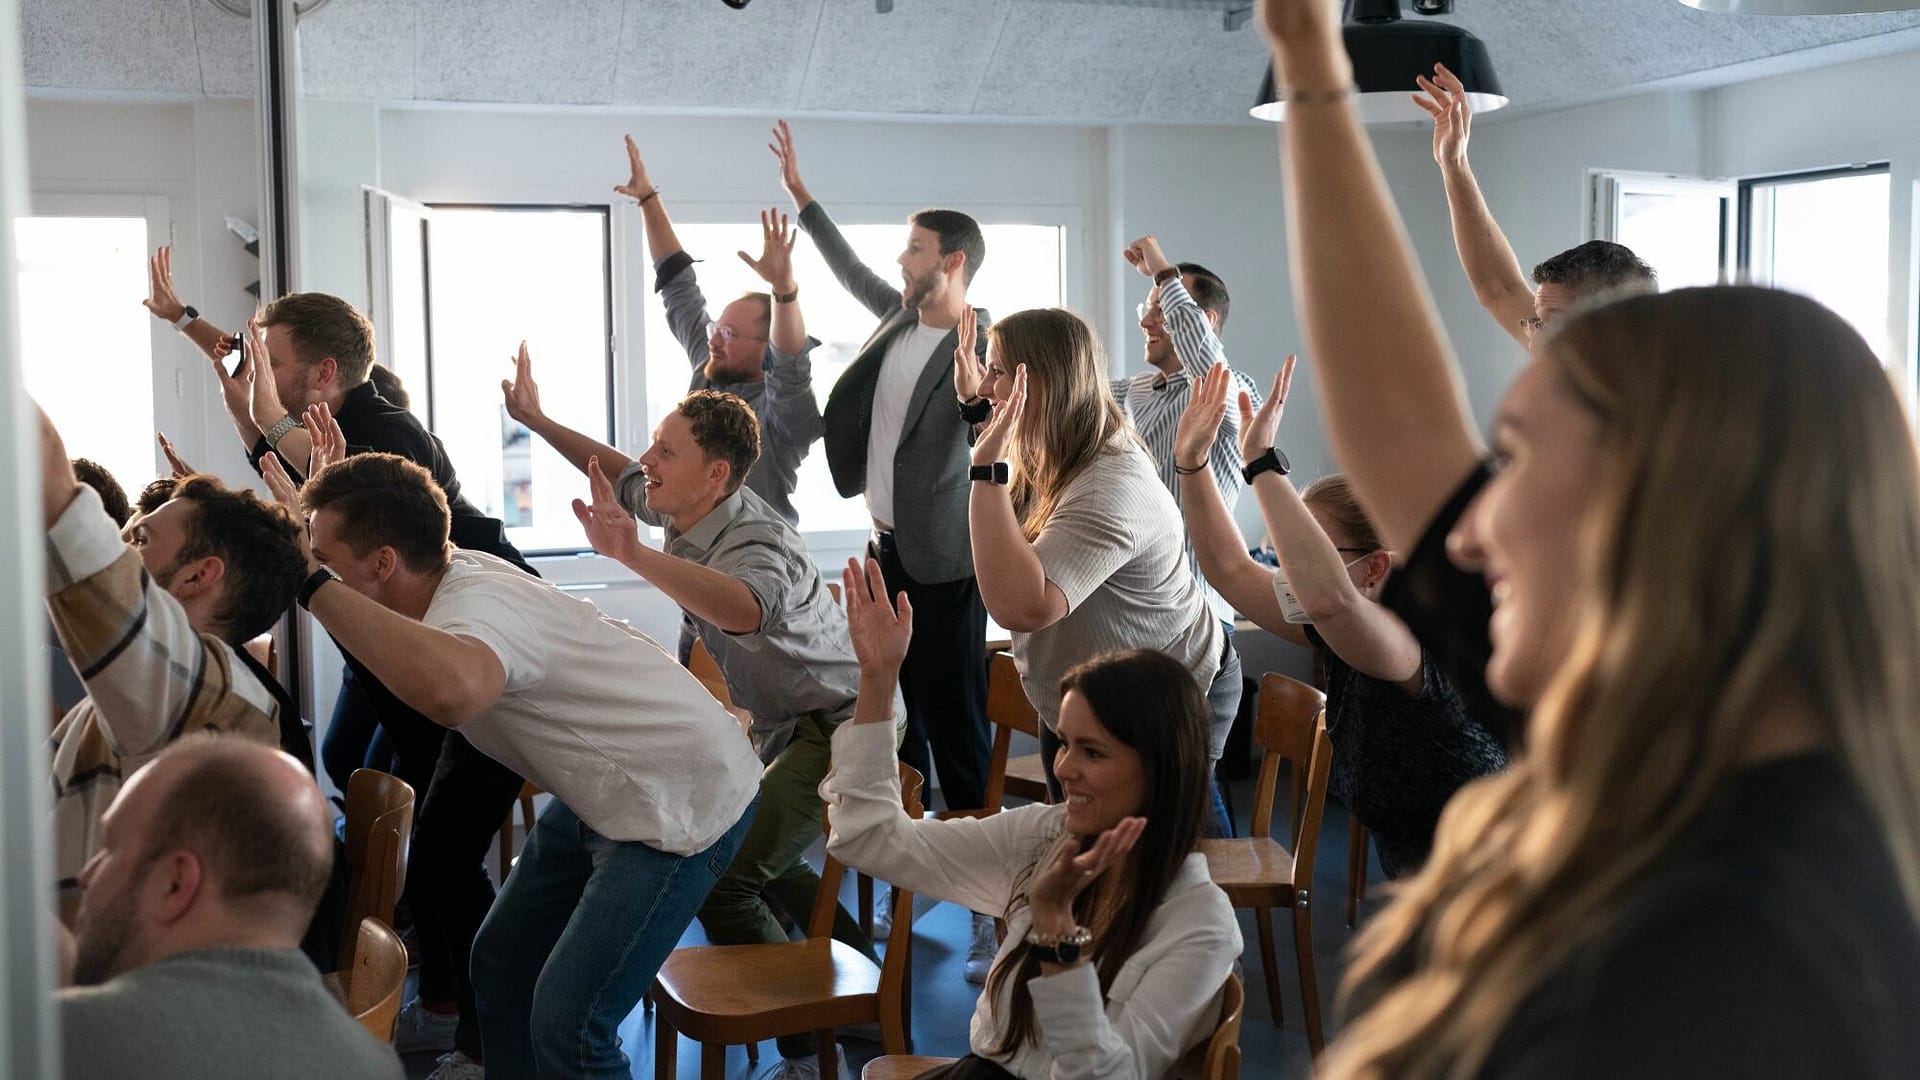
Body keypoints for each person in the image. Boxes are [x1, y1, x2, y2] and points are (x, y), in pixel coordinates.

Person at [1256, 1, 1920, 1076]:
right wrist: (1308, 59)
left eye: (1513, 457)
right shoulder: (1644, 699)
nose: (1469, 535)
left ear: (1658, 496)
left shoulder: (1752, 960)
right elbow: (1399, 418)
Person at [266, 434, 761, 1080]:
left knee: (571, 1025)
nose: (317, 566)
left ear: (384, 562)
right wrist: (326, 537)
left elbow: (452, 692)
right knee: (500, 961)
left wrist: (311, 584)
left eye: (327, 558)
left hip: (681, 802)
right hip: (609, 789)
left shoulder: (469, 611)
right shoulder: (441, 580)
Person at [143, 248, 530, 1065]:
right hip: (402, 656)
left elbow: (337, 497)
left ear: (322, 375)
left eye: (276, 362)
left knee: (443, 855)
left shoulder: (383, 428)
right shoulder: (325, 418)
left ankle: (470, 1013)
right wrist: (196, 342)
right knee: (354, 762)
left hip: (464, 661)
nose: (259, 371)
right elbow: (275, 435)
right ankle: (429, 956)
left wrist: (257, 421)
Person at [517, 370, 901, 1079]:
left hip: (847, 717)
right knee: (774, 868)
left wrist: (633, 554)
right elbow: (612, 467)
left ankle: (806, 1049)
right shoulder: (683, 504)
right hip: (785, 722)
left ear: (715, 473)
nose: (647, 463)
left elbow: (745, 609)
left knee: (727, 879)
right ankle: (873, 996)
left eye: (665, 451)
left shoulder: (761, 540)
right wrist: (538, 421)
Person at [826, 558, 1241, 1080]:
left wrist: (1055, 929)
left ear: (1161, 766)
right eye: (1065, 742)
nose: (1063, 767)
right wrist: (879, 678)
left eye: (1093, 752)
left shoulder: (1198, 923)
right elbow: (870, 840)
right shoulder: (1047, 835)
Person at [1174, 361, 1505, 878]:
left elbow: (1333, 600)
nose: (1293, 570)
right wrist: (1191, 465)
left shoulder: (1406, 638)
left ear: (1374, 567)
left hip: (1487, 874)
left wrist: (1261, 463)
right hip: (1418, 867)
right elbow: (1231, 569)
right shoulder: (1338, 625)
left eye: (1311, 551)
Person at [773, 119, 995, 823]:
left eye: (916, 247)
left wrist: (979, 403)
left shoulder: (984, 345)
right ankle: (910, 853)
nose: (902, 259)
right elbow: (849, 270)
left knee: (955, 718)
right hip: (886, 549)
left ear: (952, 261)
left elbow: (995, 436)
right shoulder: (898, 317)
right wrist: (803, 196)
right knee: (901, 716)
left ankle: (985, 880)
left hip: (946, 563)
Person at [38, 402, 305, 926]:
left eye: (140, 538)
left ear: (197, 577)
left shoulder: (206, 702)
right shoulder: (164, 690)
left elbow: (45, 465)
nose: (122, 543)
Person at [959, 307, 1222, 794]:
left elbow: (1022, 605)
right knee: (1086, 851)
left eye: (997, 371)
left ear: (1044, 381)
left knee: (1170, 857)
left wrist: (984, 469)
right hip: (1085, 692)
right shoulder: (1051, 446)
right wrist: (981, 420)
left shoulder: (1107, 484)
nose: (983, 387)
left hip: (1162, 692)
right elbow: (1007, 531)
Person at [58, 736, 404, 1080]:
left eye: (110, 848)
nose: (87, 874)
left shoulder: (60, 1038)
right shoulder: (375, 1064)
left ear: (175, 883)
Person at [1113, 234, 1258, 837]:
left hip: (1196, 618)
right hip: (1136, 614)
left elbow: (1211, 367)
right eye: (1147, 304)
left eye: (1163, 306)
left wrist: (1165, 273)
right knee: (1147, 786)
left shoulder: (1234, 393)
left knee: (1185, 786)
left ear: (1206, 321)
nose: (1147, 316)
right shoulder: (1130, 392)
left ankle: (1220, 922)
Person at [614, 134, 823, 527]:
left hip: (761, 568)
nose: (714, 337)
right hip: (692, 558)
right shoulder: (708, 367)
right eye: (717, 327)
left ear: (766, 350)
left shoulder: (782, 418)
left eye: (729, 333)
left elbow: (791, 368)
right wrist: (647, 199)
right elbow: (678, 285)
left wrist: (783, 290)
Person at [1411, 62, 1655, 345]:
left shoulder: (1667, 386)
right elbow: (1498, 288)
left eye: (1555, 323)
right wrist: (1454, 163)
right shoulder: (1566, 362)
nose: (1537, 339)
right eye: (1539, 320)